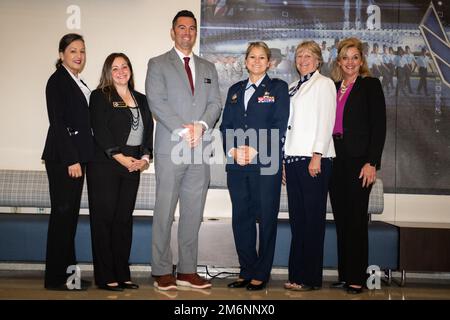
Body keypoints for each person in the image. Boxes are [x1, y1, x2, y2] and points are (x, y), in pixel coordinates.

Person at [145, 10, 222, 291]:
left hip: (199, 149)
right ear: (173, 31)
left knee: (193, 211)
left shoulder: (208, 67)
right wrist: (183, 129)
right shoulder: (157, 64)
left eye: (192, 28)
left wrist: (201, 126)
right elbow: (156, 102)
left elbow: (215, 104)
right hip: (170, 148)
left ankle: (187, 271)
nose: (187, 32)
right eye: (181, 27)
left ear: (196, 32)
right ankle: (161, 269)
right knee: (164, 210)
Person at [220, 42, 289, 291]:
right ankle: (246, 270)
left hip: (265, 163)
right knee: (242, 219)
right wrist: (233, 151)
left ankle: (261, 272)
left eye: (262, 58)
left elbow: (280, 124)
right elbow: (225, 126)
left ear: (269, 62)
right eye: (252, 57)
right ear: (246, 61)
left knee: (267, 218)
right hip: (237, 165)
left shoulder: (278, 88)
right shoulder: (235, 90)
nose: (257, 61)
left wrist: (256, 149)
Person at [87, 53, 153, 291]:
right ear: (108, 72)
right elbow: (100, 130)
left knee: (123, 222)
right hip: (105, 166)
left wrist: (145, 158)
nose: (121, 71)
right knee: (104, 221)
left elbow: (148, 131)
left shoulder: (142, 99)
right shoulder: (99, 96)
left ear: (130, 70)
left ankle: (122, 274)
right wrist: (120, 157)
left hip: (133, 166)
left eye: (124, 66)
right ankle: (105, 277)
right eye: (115, 68)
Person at [329, 37, 386, 294]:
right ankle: (345, 273)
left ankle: (357, 277)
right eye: (345, 58)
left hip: (359, 162)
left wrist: (372, 162)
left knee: (356, 221)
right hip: (336, 158)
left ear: (361, 61)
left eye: (354, 57)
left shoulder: (370, 85)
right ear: (339, 62)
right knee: (341, 219)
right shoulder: (332, 86)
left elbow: (379, 127)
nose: (350, 62)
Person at [42, 33, 94, 291]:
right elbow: (58, 123)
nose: (78, 55)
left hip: (76, 159)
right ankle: (54, 279)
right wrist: (72, 159)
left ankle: (69, 277)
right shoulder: (57, 81)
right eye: (73, 50)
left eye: (82, 51)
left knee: (70, 219)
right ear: (62, 54)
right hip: (64, 160)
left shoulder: (76, 80)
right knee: (62, 219)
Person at [283, 40, 336, 291]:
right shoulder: (293, 87)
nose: (302, 59)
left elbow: (326, 121)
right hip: (293, 160)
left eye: (308, 56)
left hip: (314, 160)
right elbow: (289, 127)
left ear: (318, 60)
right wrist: (284, 160)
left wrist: (317, 154)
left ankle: (311, 278)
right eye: (299, 55)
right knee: (298, 221)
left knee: (313, 221)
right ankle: (296, 275)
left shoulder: (323, 84)